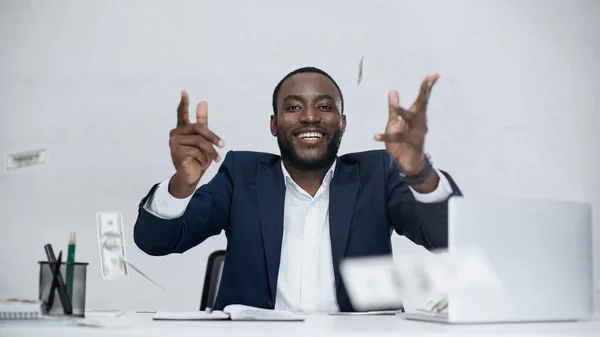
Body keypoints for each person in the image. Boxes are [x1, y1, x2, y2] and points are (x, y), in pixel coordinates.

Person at [133, 66, 462, 313]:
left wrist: (417, 172)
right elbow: (156, 242)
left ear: (342, 122)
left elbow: (447, 239)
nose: (309, 117)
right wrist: (183, 183)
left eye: (324, 107)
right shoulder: (241, 174)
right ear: (274, 124)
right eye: (293, 108)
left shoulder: (377, 174)